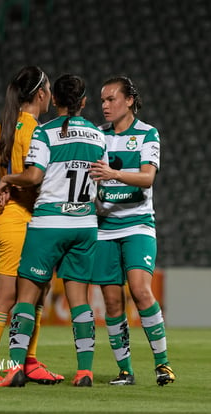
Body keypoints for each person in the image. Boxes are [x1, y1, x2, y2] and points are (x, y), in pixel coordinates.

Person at [0, 74, 108, 387]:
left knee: (27, 298)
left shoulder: (44, 132)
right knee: (80, 301)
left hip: (49, 223)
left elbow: (33, 176)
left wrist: (8, 179)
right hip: (84, 224)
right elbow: (103, 181)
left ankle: (15, 368)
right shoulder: (99, 136)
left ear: (54, 100)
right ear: (83, 102)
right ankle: (85, 371)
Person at [0, 66, 64, 387]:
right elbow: (30, 178)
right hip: (18, 217)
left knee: (36, 292)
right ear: (40, 94)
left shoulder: (4, 128)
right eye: (49, 89)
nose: (51, 95)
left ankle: (28, 362)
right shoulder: (35, 130)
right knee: (7, 295)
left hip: (10, 214)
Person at [89, 76, 176, 386]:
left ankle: (163, 365)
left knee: (140, 291)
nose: (105, 106)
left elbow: (147, 178)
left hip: (138, 224)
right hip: (103, 228)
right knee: (112, 303)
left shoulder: (147, 134)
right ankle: (125, 371)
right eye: (102, 100)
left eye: (111, 99)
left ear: (129, 101)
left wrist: (112, 173)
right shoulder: (98, 136)